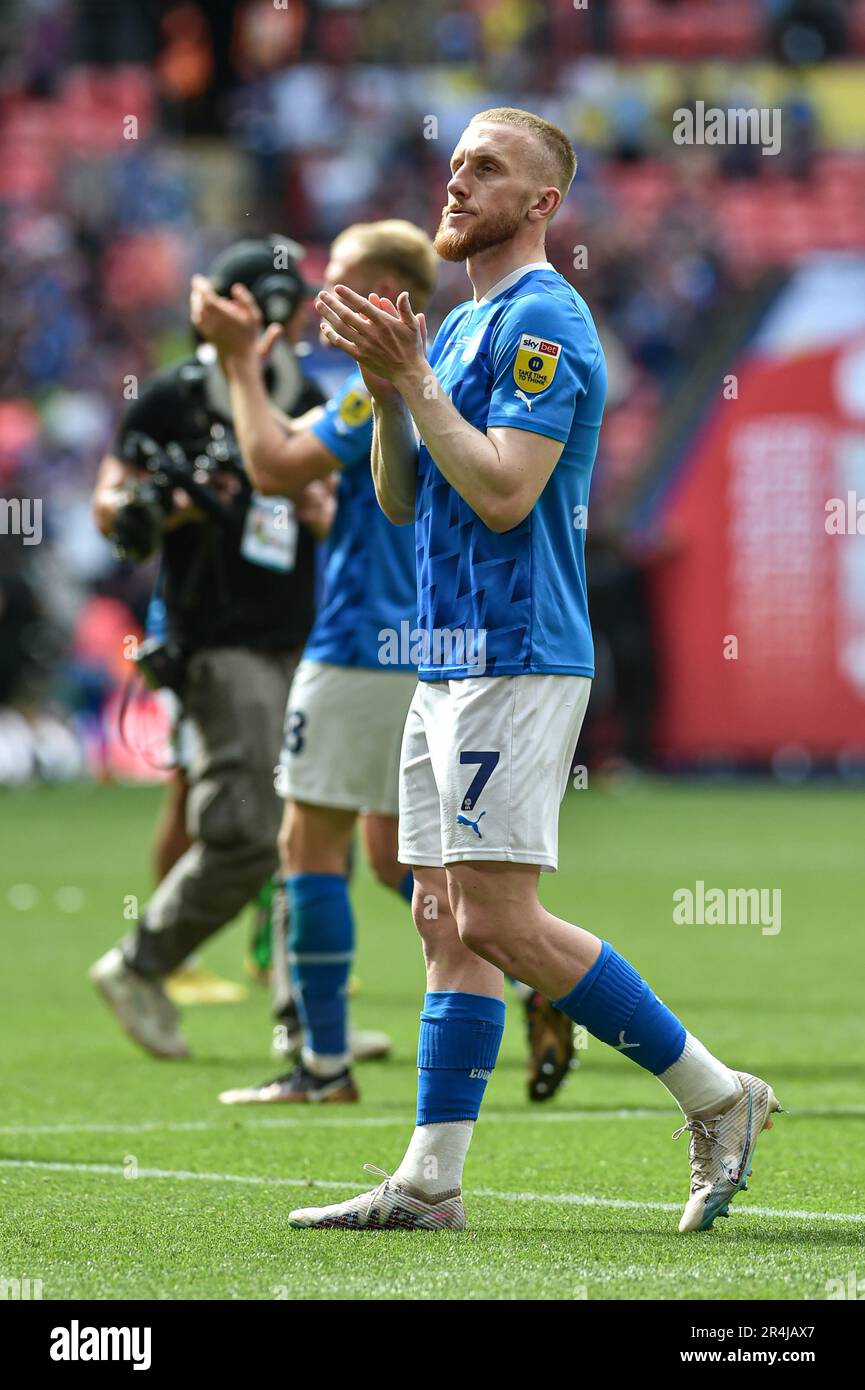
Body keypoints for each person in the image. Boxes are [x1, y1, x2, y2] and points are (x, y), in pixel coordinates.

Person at [286, 107, 781, 1234]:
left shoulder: (546, 321)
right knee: (442, 919)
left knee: (502, 919)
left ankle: (718, 1095)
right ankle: (429, 1180)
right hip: (442, 653)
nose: (457, 183)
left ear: (544, 202)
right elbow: (405, 496)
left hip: (515, 651)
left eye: (488, 168)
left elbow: (506, 490)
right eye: (454, 164)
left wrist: (409, 378)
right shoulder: (456, 330)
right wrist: (389, 382)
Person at [190, 220, 433, 1103]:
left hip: (362, 644)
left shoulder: (377, 384)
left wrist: (236, 363)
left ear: (384, 292)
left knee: (306, 839)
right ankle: (529, 981)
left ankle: (322, 1062)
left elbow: (271, 464)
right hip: (434, 646)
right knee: (395, 855)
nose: (320, 293)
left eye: (340, 279)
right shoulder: (450, 371)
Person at [89, 237, 329, 1059]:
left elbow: (337, 502)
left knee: (313, 820)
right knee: (243, 826)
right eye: (256, 299)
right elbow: (113, 503)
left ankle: (308, 1019)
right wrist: (150, 511)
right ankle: (143, 959)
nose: (273, 316)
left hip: (308, 632)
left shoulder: (308, 391)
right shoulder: (170, 400)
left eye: (283, 299)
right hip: (218, 637)